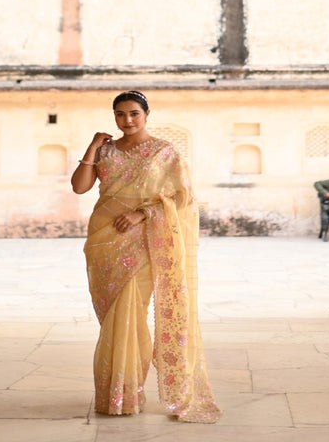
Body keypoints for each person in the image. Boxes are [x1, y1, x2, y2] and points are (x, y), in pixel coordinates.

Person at [71, 90, 220, 424]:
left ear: (147, 114)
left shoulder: (164, 152)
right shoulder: (106, 150)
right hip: (103, 240)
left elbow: (182, 197)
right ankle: (116, 390)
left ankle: (125, 393)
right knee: (112, 314)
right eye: (120, 114)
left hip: (142, 239)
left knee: (130, 311)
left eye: (134, 113)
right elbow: (80, 187)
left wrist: (142, 214)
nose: (127, 120)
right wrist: (93, 148)